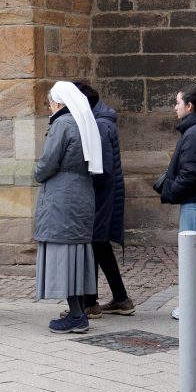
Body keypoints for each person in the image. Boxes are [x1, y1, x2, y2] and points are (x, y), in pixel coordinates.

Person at [34, 81, 102, 334]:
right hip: (81, 195)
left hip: (62, 199)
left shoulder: (62, 124)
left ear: (59, 102)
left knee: (65, 258)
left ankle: (76, 316)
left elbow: (48, 162)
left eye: (50, 103)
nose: (49, 107)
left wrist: (37, 172)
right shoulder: (82, 122)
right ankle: (78, 312)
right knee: (75, 257)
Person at [158, 82, 196, 321]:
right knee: (195, 254)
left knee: (192, 255)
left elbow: (191, 173)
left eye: (178, 103)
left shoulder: (194, 133)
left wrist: (171, 191)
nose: (175, 107)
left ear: (189, 106)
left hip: (195, 202)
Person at [73, 82, 134, 318]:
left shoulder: (99, 126)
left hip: (100, 196)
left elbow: (102, 169)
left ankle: (90, 303)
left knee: (94, 244)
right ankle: (121, 299)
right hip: (102, 195)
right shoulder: (100, 121)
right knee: (100, 246)